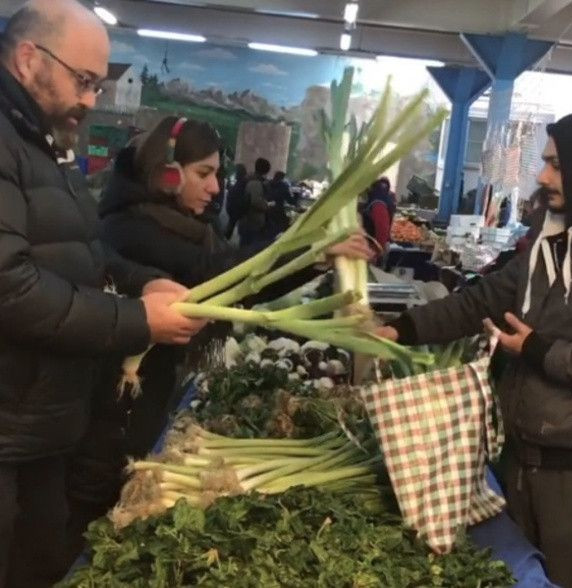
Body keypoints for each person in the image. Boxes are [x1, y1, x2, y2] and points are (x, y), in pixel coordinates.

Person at [65, 116, 373, 552]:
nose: (215, 188)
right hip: (108, 418)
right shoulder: (137, 229)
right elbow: (227, 279)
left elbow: (231, 277)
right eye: (203, 174)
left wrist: (313, 254)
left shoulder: (167, 221)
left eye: (217, 174)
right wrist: (312, 252)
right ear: (167, 171)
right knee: (91, 522)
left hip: (134, 406)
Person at [0, 2, 206, 586]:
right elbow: (10, 286)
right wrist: (137, 320)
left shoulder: (41, 141)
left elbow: (77, 254)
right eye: (84, 81)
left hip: (39, 427)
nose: (93, 99)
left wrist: (140, 283)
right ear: (27, 59)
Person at [377, 110, 572, 588]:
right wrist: (402, 329)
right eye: (544, 162)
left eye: (557, 165)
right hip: (519, 463)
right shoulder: (550, 241)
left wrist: (539, 350)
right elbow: (485, 298)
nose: (542, 177)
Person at [237, 157, 272, 246]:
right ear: (266, 170)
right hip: (251, 222)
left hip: (246, 220)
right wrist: (267, 205)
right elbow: (255, 201)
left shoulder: (250, 179)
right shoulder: (255, 182)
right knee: (248, 249)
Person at [362, 177, 396, 255]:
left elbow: (382, 228)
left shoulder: (378, 203)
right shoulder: (384, 200)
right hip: (369, 247)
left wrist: (375, 252)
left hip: (370, 250)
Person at [266, 170, 293, 237]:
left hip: (266, 210)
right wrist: (295, 203)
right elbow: (289, 199)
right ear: (282, 178)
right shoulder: (283, 186)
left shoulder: (267, 184)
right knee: (285, 225)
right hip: (278, 211)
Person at [225, 162, 247, 239]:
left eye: (237, 171)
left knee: (231, 226)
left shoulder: (241, 183)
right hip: (237, 209)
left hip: (236, 209)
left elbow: (235, 193)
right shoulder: (243, 182)